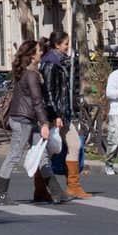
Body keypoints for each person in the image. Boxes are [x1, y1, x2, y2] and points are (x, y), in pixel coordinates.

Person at [0, 37, 66, 205]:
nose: (41, 53)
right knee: (14, 155)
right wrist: (45, 124)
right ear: (32, 55)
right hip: (23, 120)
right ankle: (0, 194)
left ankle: (56, 192)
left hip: (26, 119)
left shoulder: (24, 72)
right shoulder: (31, 74)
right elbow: (36, 101)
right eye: (39, 51)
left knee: (42, 155)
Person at [39, 32, 73, 200]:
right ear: (57, 45)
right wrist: (55, 114)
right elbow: (49, 92)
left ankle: (73, 185)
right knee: (49, 151)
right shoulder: (50, 63)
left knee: (74, 145)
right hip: (55, 113)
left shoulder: (63, 62)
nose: (68, 47)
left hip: (65, 111)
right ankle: (41, 189)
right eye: (66, 44)